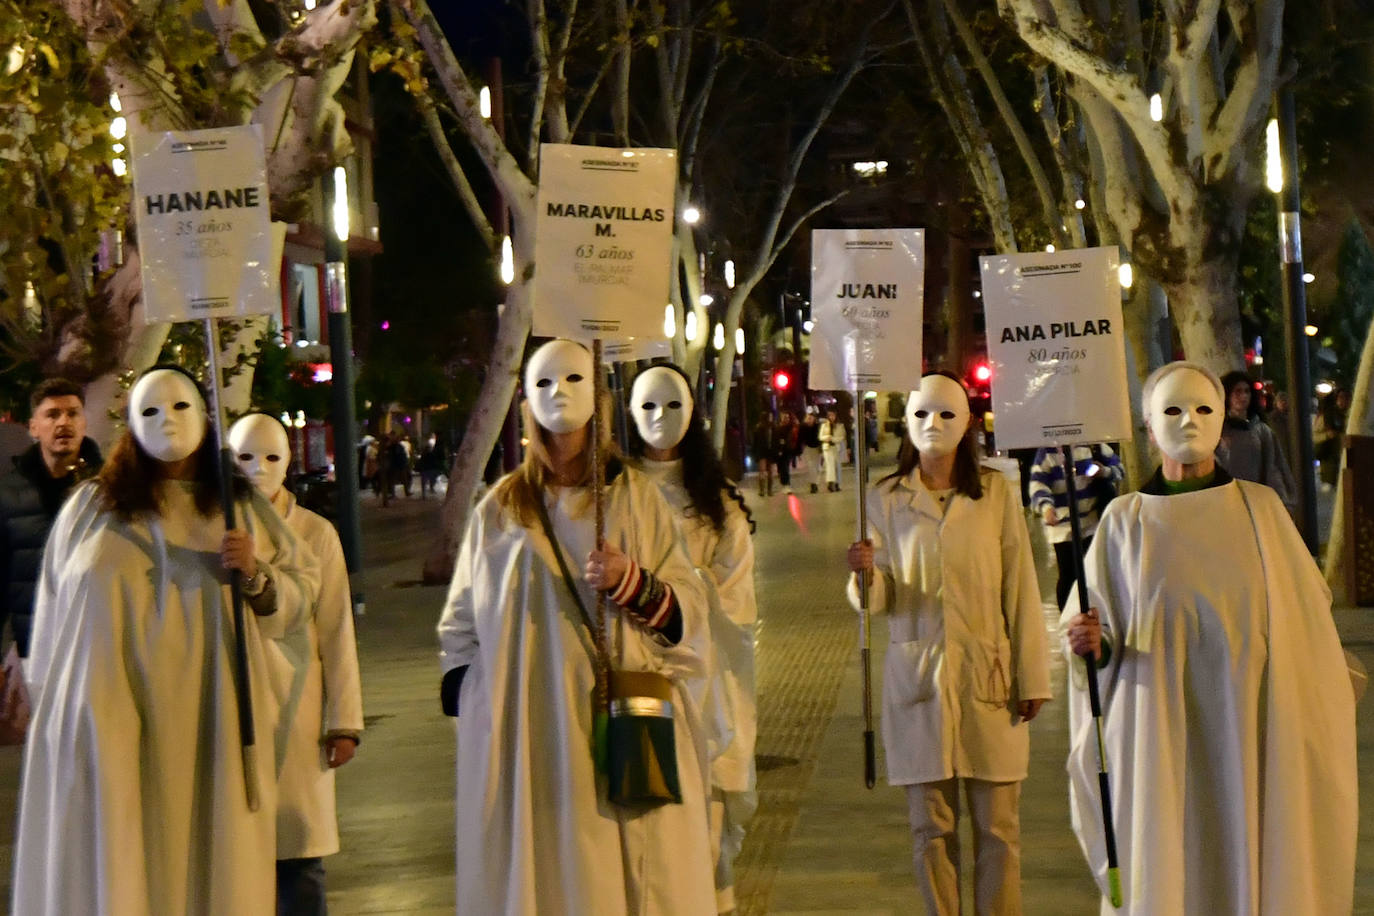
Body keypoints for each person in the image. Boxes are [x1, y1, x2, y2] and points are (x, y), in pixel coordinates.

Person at [13, 366, 319, 915]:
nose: (168, 422)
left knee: (210, 869)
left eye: (181, 407)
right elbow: (54, 615)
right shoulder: (91, 507)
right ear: (130, 422)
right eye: (151, 410)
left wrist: (255, 574)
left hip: (212, 727)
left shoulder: (239, 506)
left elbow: (300, 597)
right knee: (124, 862)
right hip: (112, 729)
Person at [1063, 361, 1356, 915]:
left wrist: (1327, 685)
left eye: (1203, 408)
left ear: (1224, 420)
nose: (1190, 422)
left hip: (1251, 730)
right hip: (1161, 737)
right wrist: (1090, 643)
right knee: (1172, 858)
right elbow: (1098, 631)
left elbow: (1305, 619)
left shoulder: (1262, 511)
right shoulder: (1125, 522)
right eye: (1172, 409)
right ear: (1149, 425)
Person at [436, 339, 716, 915]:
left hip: (619, 721)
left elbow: (690, 608)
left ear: (599, 396)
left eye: (570, 379)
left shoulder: (636, 498)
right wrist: (475, 699)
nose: (557, 393)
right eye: (541, 383)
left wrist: (630, 580)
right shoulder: (501, 508)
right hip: (526, 732)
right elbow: (461, 620)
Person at [846, 371, 1051, 916]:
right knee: (930, 830)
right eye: (920, 414)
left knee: (998, 829)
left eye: (944, 414)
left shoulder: (996, 494)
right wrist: (865, 575)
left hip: (989, 678)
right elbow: (879, 599)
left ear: (967, 423)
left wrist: (1032, 675)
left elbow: (1021, 588)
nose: (932, 425)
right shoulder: (885, 499)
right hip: (919, 681)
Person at [628, 365, 758, 914]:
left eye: (672, 406)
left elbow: (737, 604)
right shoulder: (614, 495)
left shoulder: (719, 503)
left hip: (706, 684)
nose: (660, 419)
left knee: (707, 816)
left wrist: (680, 594)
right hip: (638, 683)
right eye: (649, 406)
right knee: (643, 811)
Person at [230, 413, 364, 916]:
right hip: (235, 703)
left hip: (299, 705)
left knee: (298, 854)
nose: (260, 469)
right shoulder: (213, 530)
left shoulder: (316, 533)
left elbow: (336, 629)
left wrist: (344, 720)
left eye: (270, 456)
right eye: (246, 457)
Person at [0, 378, 102, 658]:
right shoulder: (8, 495)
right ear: (34, 427)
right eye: (52, 414)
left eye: (72, 413)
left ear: (84, 423)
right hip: (34, 649)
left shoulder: (108, 490)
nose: (63, 422)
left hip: (94, 647)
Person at [1027, 443, 1124, 610]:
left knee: (1092, 572)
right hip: (1062, 527)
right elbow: (1038, 483)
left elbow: (1119, 469)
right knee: (1068, 574)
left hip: (1091, 524)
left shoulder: (1094, 445)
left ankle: (1093, 613)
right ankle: (1068, 617)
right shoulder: (1047, 452)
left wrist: (1104, 472)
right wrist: (1046, 507)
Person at [1215, 371, 1297, 514]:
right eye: (1237, 391)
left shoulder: (1262, 431)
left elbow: (1273, 468)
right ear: (1227, 395)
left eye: (1247, 391)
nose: (1243, 396)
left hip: (1256, 504)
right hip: (1225, 504)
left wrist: (1282, 503)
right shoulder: (1216, 431)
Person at [1312, 386, 1350, 488]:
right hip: (1330, 461)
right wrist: (1327, 435)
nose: (1343, 401)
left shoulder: (1351, 416)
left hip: (1347, 462)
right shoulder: (1327, 416)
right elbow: (1314, 436)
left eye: (1346, 398)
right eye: (1340, 398)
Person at [770, 410, 797, 495]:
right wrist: (778, 450)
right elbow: (775, 440)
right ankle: (784, 484)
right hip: (780, 451)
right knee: (781, 468)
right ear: (781, 418)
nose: (786, 419)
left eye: (788, 417)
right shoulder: (778, 428)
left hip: (787, 450)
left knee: (785, 467)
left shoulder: (791, 427)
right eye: (785, 417)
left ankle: (786, 485)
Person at [750, 415, 775, 497]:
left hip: (768, 451)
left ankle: (768, 490)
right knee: (763, 471)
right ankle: (764, 490)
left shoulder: (772, 427)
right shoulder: (759, 428)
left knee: (768, 471)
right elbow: (755, 442)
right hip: (763, 452)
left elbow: (776, 439)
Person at [798, 409, 822, 493]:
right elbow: (800, 439)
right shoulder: (803, 427)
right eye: (809, 417)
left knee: (817, 467)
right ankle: (813, 484)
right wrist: (799, 450)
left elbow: (820, 437)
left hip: (817, 448)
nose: (810, 419)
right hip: (808, 448)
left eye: (811, 417)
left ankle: (815, 482)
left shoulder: (818, 426)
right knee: (811, 466)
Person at [819, 409, 841, 492]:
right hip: (827, 448)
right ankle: (830, 483)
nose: (831, 417)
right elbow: (820, 437)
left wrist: (833, 439)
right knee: (830, 466)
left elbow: (841, 436)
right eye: (830, 415)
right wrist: (826, 438)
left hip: (836, 447)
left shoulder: (839, 425)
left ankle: (837, 483)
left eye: (833, 415)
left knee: (836, 466)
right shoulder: (824, 425)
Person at [418, 432, 445, 498]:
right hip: (430, 468)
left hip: (426, 468)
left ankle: (424, 493)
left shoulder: (427, 452)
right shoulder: (433, 450)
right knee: (431, 478)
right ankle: (429, 489)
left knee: (424, 480)